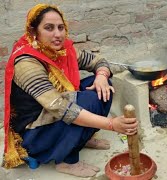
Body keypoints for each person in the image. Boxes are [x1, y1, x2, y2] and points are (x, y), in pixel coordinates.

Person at [2, 4, 138, 178]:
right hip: (35, 133)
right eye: (49, 28)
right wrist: (111, 125)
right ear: (34, 32)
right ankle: (66, 161)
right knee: (88, 101)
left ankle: (83, 138)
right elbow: (60, 108)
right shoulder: (27, 63)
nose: (57, 34)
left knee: (101, 87)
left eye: (61, 27)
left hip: (54, 114)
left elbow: (99, 61)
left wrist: (102, 76)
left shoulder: (65, 50)